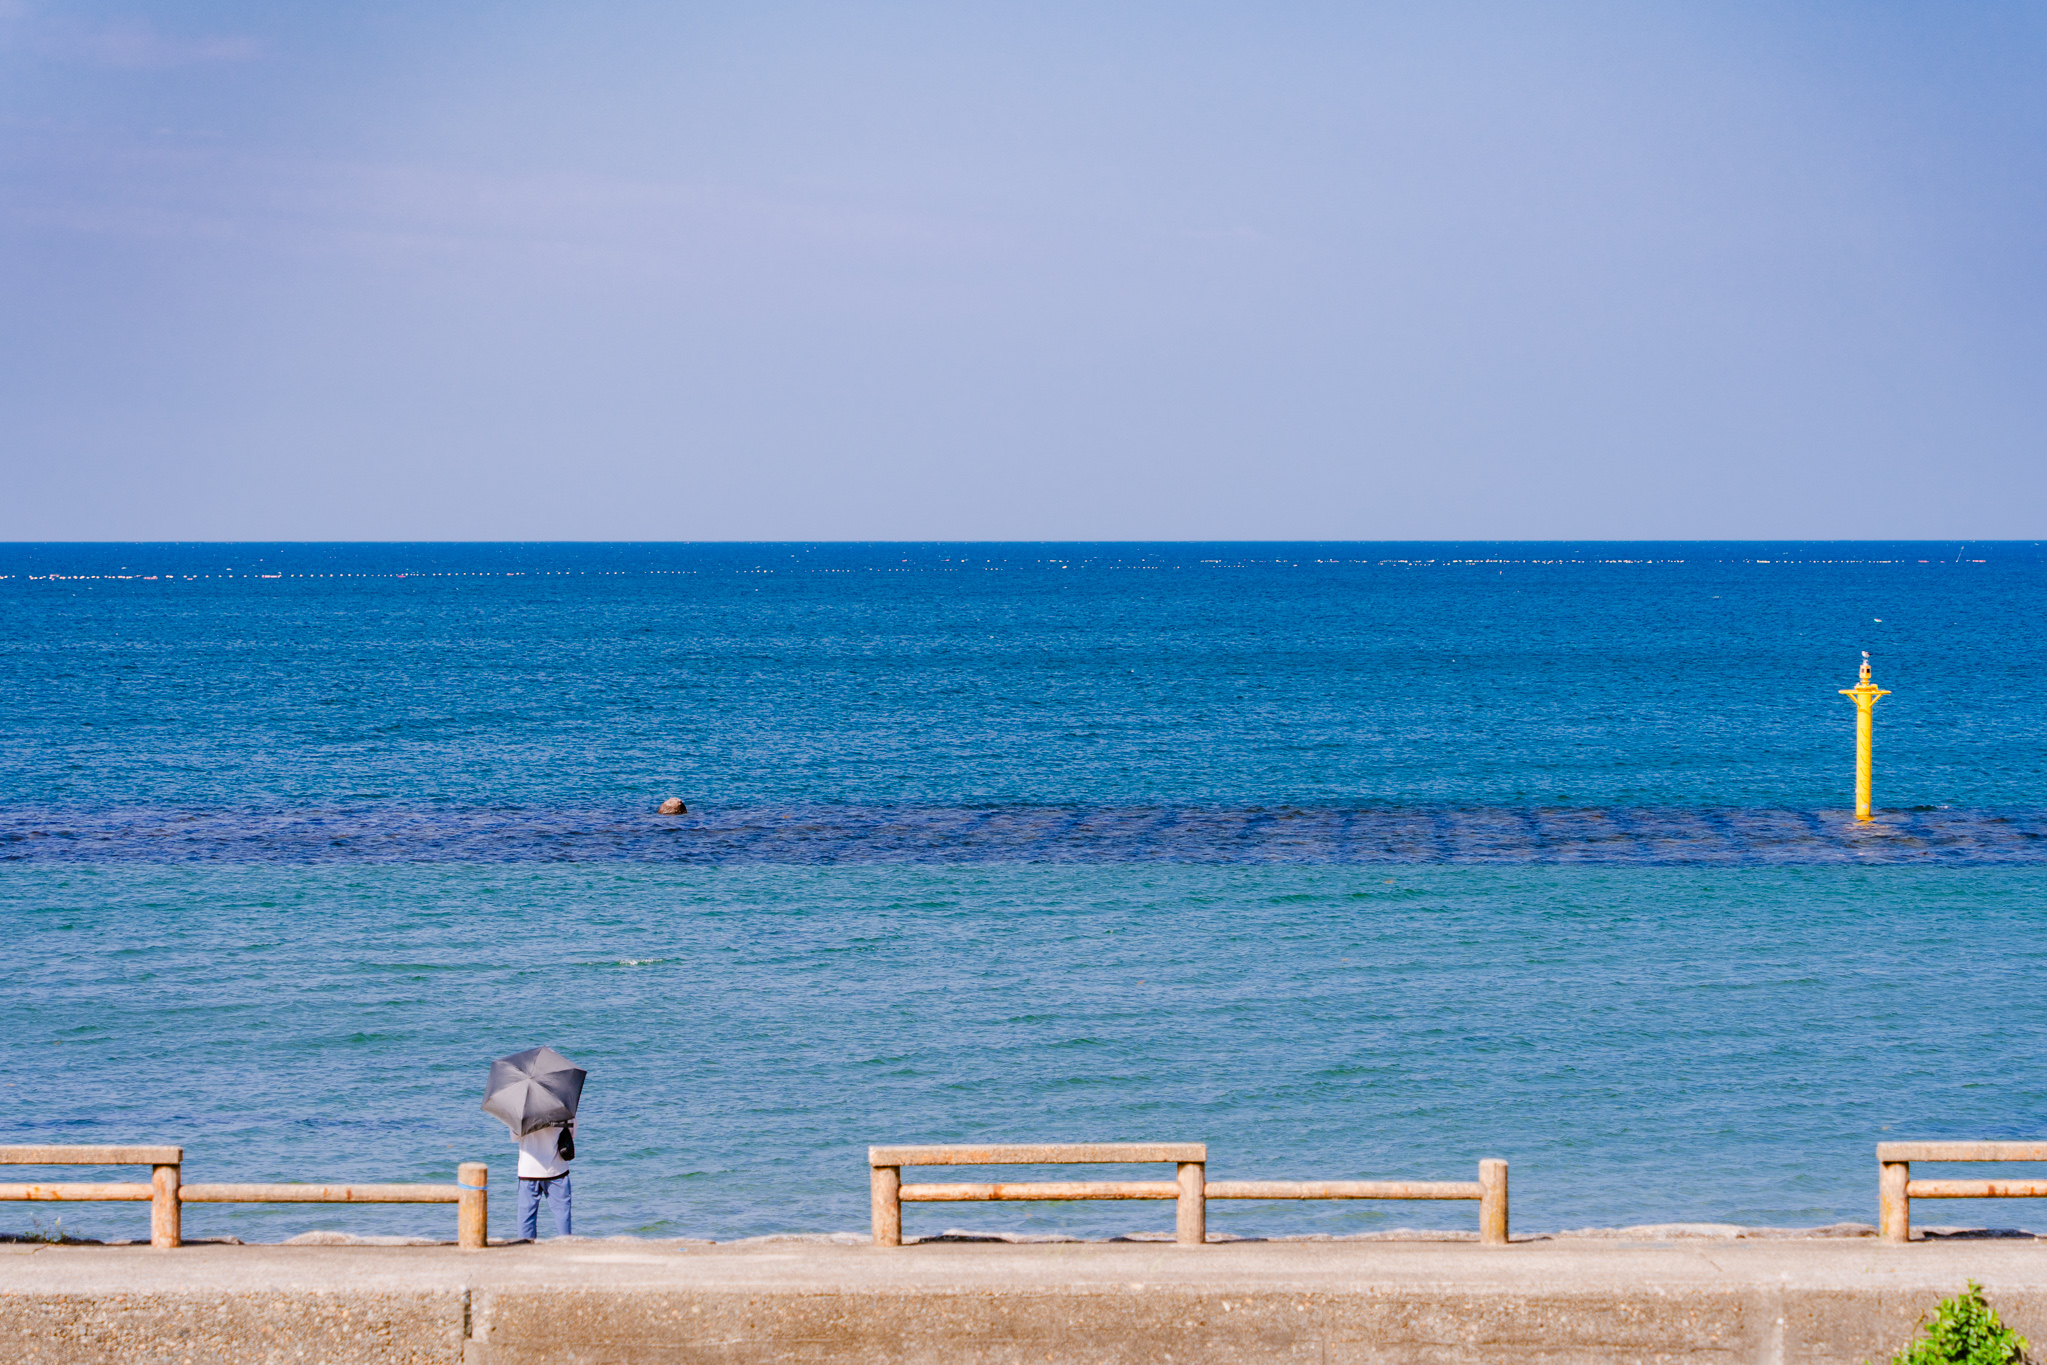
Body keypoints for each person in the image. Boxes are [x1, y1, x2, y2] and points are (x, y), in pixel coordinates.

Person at [511, 1116, 575, 1239]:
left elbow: (514, 1136)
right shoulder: (563, 1109)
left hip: (529, 1170)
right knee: (562, 1215)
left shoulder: (521, 1111)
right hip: (556, 1169)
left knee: (526, 1216)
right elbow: (572, 1133)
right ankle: (566, 1245)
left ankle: (525, 1247)